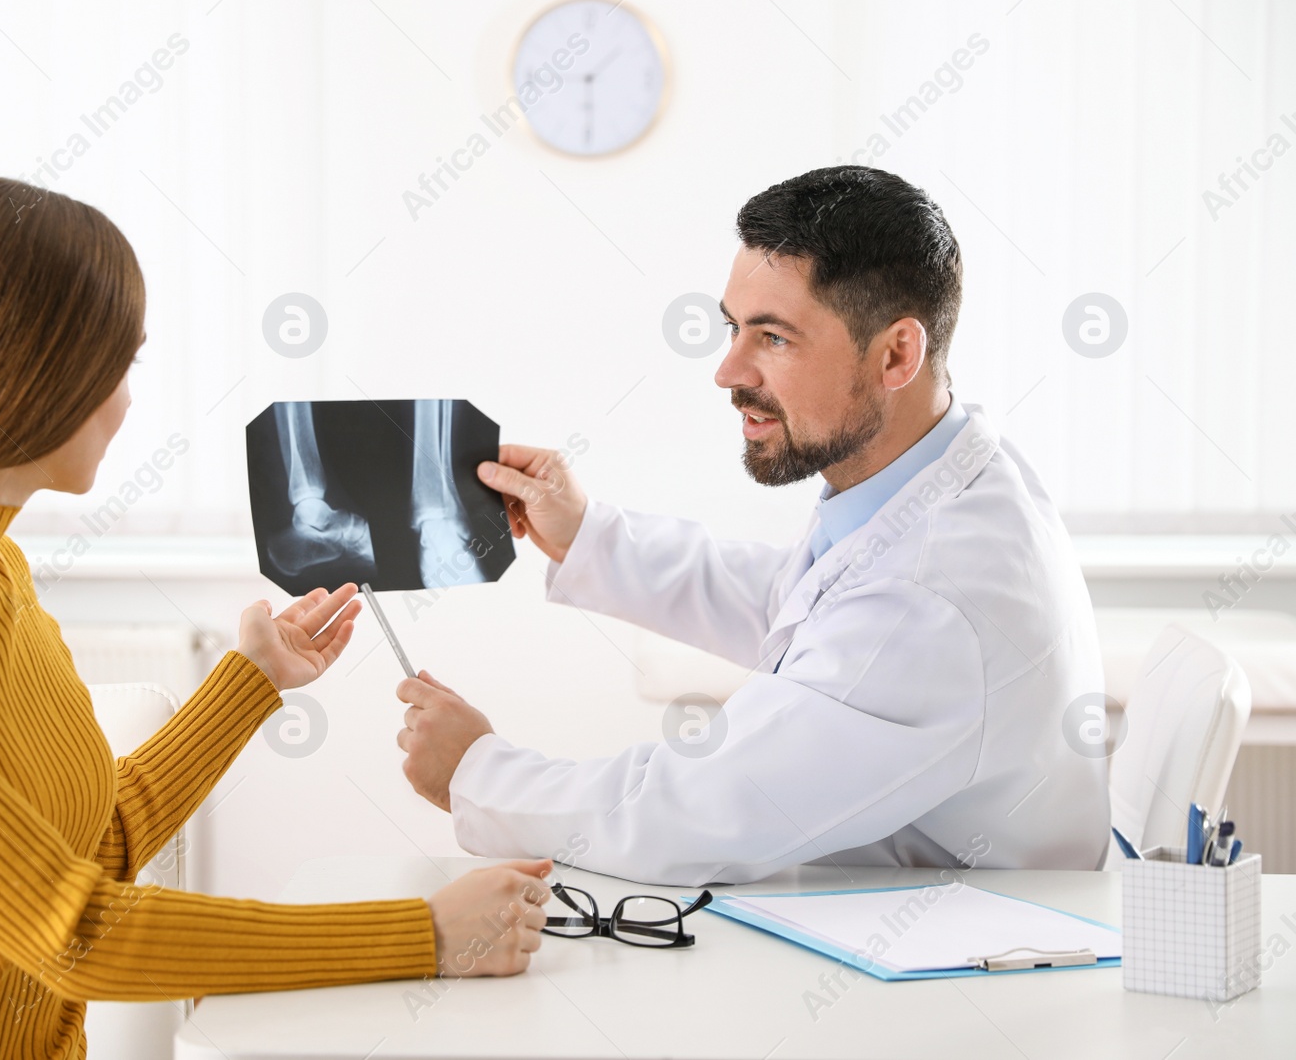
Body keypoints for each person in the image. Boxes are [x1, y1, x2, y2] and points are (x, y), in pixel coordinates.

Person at [0, 177, 550, 1060]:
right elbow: (71, 930)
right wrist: (426, 935)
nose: (128, 401)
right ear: (27, 367)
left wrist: (249, 683)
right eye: (118, 365)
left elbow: (93, 848)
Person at [395, 165, 1109, 886]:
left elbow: (696, 812)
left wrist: (479, 771)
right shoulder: (936, 475)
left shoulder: (934, 592)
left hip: (952, 961)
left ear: (896, 354)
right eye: (734, 328)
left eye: (772, 338)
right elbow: (801, 604)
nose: (727, 371)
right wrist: (587, 534)